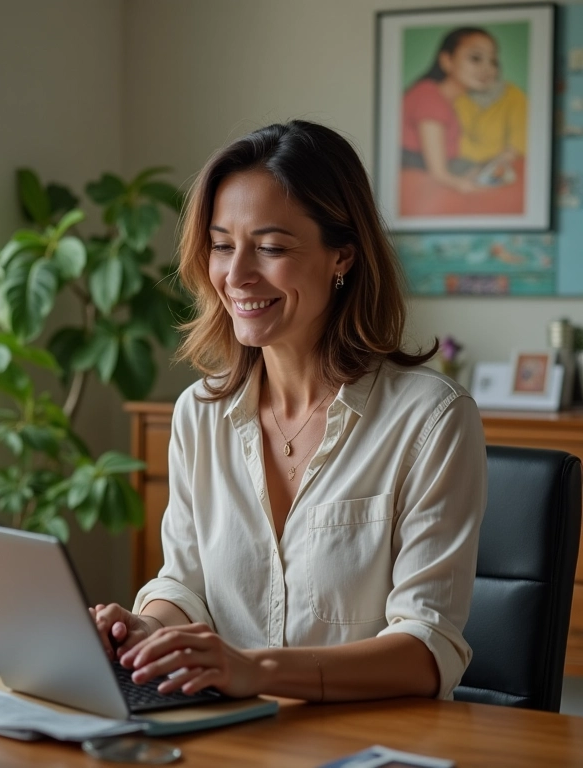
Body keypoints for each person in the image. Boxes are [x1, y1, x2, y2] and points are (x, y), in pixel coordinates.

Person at [93, 120, 487, 703]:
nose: (237, 275)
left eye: (271, 248)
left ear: (342, 257)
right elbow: (185, 582)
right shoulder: (199, 413)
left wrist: (258, 670)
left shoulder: (431, 419)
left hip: (374, 743)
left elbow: (428, 648)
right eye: (223, 245)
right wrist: (150, 628)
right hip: (230, 737)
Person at [401, 27, 503, 193]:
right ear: (447, 60)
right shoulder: (429, 97)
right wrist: (466, 186)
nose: (487, 68)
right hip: (416, 174)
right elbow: (439, 173)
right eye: (476, 58)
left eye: (493, 61)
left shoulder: (449, 100)